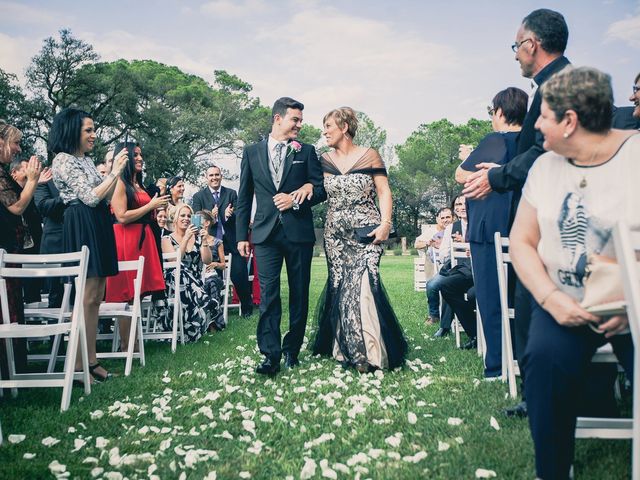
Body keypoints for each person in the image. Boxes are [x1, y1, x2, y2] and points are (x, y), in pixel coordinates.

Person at [510, 66, 637, 480]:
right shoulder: (545, 168)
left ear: (570, 121)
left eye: (544, 115)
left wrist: (632, 305)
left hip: (632, 310)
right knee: (543, 361)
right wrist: (550, 299)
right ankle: (552, 470)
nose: (537, 125)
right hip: (564, 303)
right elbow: (523, 242)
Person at [463, 8, 571, 418]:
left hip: (550, 222)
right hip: (540, 216)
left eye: (516, 46)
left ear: (532, 45)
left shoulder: (558, 86)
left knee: (533, 308)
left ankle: (543, 393)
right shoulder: (552, 84)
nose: (515, 56)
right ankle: (538, 392)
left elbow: (546, 151)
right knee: (527, 307)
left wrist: (499, 177)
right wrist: (503, 170)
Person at [311, 106, 407, 372]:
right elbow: (315, 189)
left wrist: (386, 224)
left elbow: (383, 191)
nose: (324, 131)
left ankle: (371, 353)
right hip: (335, 235)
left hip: (367, 232)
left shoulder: (370, 155)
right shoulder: (323, 160)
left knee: (364, 284)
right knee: (340, 286)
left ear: (344, 127)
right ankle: (345, 349)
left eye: (328, 126)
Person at [236, 96, 326, 375]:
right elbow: (244, 196)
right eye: (295, 120)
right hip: (264, 234)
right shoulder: (251, 152)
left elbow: (321, 189)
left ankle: (292, 350)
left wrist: (298, 199)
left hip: (298, 233)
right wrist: (242, 236)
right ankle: (270, 355)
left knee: (299, 293)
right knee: (269, 295)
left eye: (300, 120)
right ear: (278, 119)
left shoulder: (306, 151)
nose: (299, 125)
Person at [50, 108, 128, 383]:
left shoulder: (86, 160)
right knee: (86, 296)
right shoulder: (63, 160)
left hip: (97, 221)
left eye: (94, 130)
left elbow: (104, 196)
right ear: (73, 131)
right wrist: (114, 172)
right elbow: (89, 197)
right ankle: (81, 364)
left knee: (96, 296)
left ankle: (92, 360)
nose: (94, 135)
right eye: (89, 130)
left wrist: (114, 175)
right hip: (81, 221)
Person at [455, 87, 528, 378]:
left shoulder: (495, 140)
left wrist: (471, 158)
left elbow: (460, 174)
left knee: (491, 298)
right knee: (519, 299)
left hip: (488, 229)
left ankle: (497, 364)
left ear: (499, 112)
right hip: (522, 226)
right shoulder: (531, 144)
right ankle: (523, 359)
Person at [106, 143, 170, 351]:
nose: (140, 158)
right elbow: (121, 216)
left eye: (141, 155)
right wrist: (150, 205)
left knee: (138, 294)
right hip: (126, 240)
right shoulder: (120, 184)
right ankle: (127, 346)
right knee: (126, 294)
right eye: (135, 155)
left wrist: (155, 207)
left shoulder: (138, 184)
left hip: (144, 239)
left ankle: (132, 342)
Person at [0, 121, 44, 376]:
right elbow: (15, 207)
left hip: (11, 248)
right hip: (3, 248)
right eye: (15, 142)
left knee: (13, 304)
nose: (18, 148)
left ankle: (13, 369)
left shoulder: (4, 172)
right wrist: (33, 181)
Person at [192, 165, 252, 317]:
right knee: (212, 276)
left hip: (231, 241)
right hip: (211, 244)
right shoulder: (199, 196)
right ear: (206, 178)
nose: (214, 178)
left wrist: (229, 214)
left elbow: (240, 214)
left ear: (221, 176)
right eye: (211, 175)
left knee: (239, 274)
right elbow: (196, 221)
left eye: (217, 175)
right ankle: (213, 311)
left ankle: (247, 308)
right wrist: (211, 217)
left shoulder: (231, 193)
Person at [161, 203, 213, 342]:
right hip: (173, 283)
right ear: (175, 219)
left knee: (184, 278)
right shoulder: (166, 239)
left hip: (193, 282)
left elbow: (207, 260)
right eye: (182, 215)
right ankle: (204, 299)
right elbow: (174, 260)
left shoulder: (196, 239)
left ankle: (190, 330)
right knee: (180, 273)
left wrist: (204, 241)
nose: (186, 218)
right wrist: (185, 238)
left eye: (189, 216)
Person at [34, 176, 66, 308]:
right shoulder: (46, 179)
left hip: (79, 239)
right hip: (55, 244)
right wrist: (66, 196)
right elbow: (43, 206)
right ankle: (56, 328)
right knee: (56, 293)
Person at [199, 209, 225, 331]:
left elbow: (224, 264)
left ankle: (215, 322)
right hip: (199, 275)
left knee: (212, 283)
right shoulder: (193, 240)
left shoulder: (217, 242)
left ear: (207, 223)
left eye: (200, 220)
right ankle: (206, 321)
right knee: (204, 284)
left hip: (214, 275)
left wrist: (215, 264)